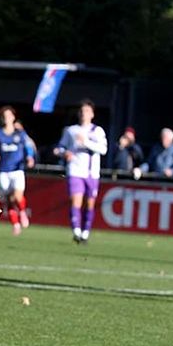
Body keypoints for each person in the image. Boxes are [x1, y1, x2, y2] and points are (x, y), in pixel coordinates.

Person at [56, 99, 108, 244]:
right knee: (75, 201)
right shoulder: (71, 130)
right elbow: (59, 147)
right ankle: (76, 231)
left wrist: (86, 143)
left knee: (90, 203)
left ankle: (85, 232)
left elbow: (103, 149)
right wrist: (64, 153)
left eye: (86, 111)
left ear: (92, 114)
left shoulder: (97, 131)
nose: (83, 114)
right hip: (75, 170)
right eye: (82, 111)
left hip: (92, 173)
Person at [0, 105, 35, 235]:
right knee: (8, 200)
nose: (6, 118)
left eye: (9, 115)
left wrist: (29, 157)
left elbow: (28, 147)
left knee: (17, 196)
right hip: (3, 171)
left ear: (13, 117)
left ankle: (22, 212)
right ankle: (15, 224)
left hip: (17, 170)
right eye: (4, 116)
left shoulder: (20, 133)